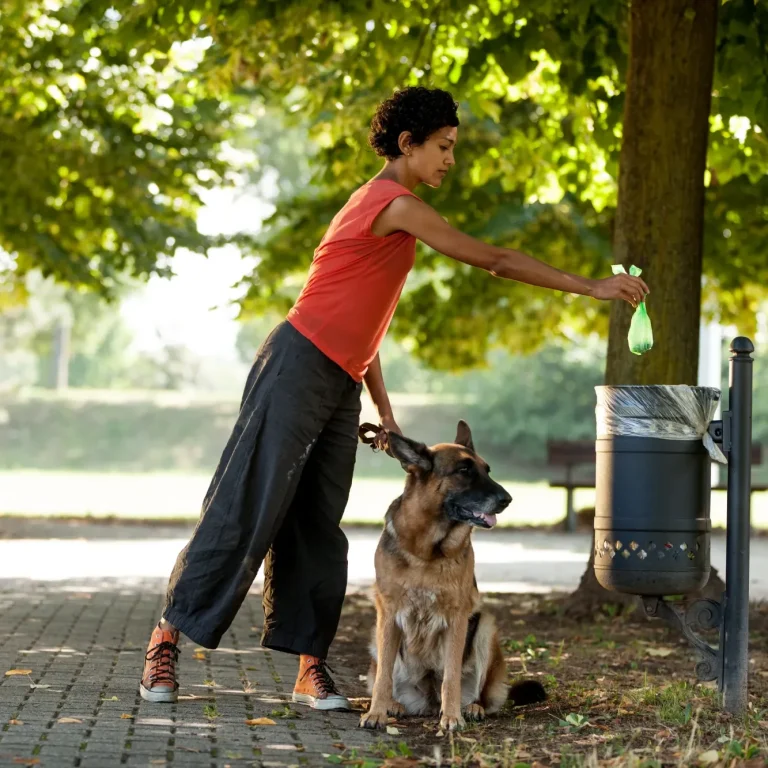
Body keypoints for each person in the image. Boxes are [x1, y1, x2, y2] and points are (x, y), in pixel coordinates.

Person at [139, 86, 649, 710]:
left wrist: (381, 407)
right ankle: (165, 641)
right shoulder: (390, 203)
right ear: (406, 145)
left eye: (452, 147)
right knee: (248, 505)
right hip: (295, 364)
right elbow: (493, 257)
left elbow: (367, 324)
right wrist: (593, 287)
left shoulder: (397, 220)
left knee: (319, 523)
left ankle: (309, 667)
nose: (450, 160)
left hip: (339, 379)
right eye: (442, 147)